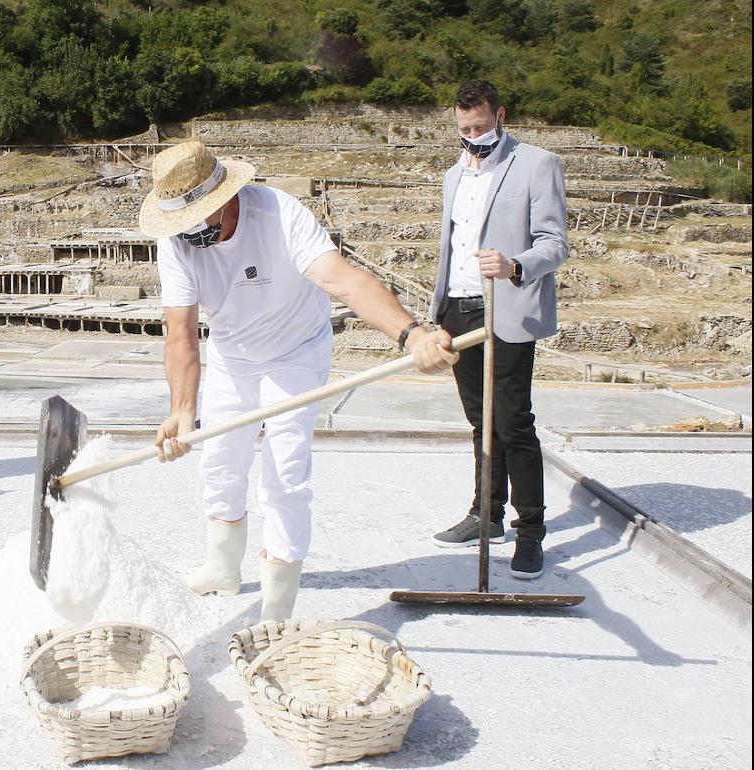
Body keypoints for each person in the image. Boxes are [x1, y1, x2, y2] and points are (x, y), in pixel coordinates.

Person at [144, 141, 459, 622]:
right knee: (220, 463)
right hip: (233, 355)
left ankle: (276, 605)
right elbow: (181, 334)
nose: (188, 234)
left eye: (197, 221)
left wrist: (411, 334)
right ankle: (222, 568)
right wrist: (182, 410)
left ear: (226, 199)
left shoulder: (279, 213)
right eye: (181, 226)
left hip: (295, 352)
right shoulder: (175, 243)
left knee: (285, 473)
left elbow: (346, 282)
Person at [427, 80, 568, 579]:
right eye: (464, 129)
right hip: (458, 309)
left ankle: (530, 533)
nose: (472, 135)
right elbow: (448, 247)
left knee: (512, 422)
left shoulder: (536, 163)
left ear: (500, 115)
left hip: (505, 308)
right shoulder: (452, 176)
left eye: (481, 126)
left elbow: (555, 243)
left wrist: (514, 265)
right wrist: (436, 311)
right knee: (479, 420)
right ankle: (486, 515)